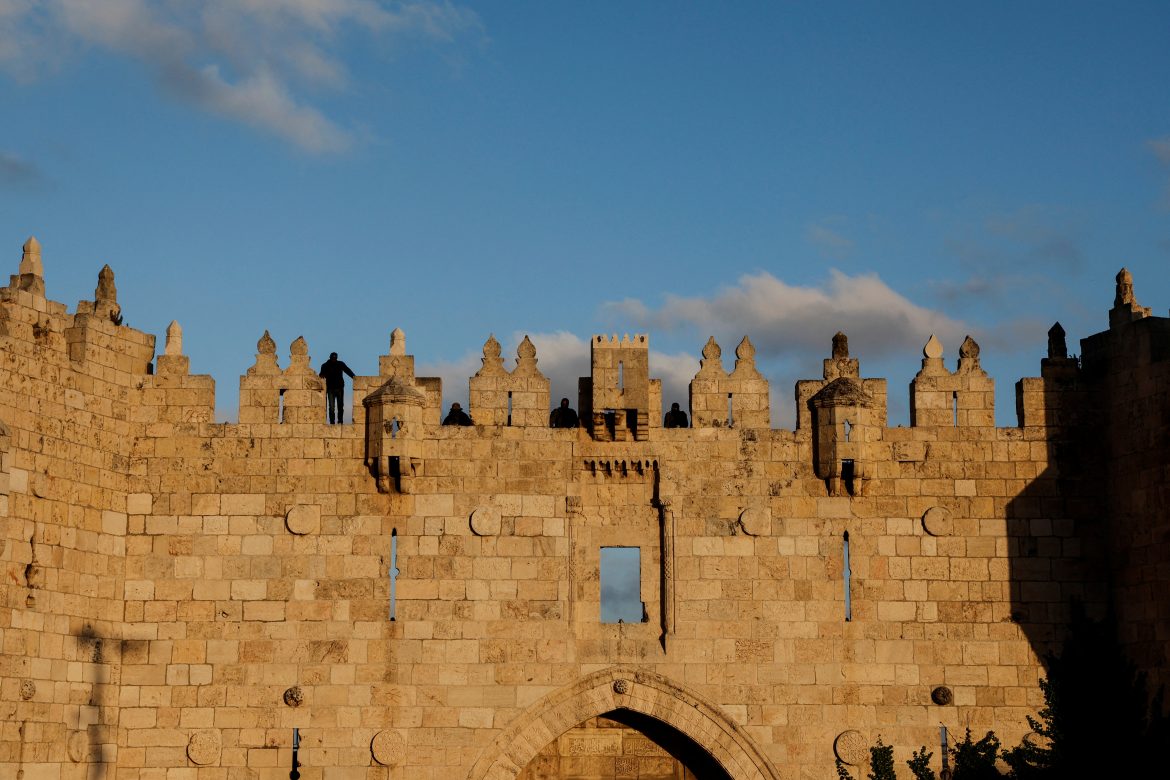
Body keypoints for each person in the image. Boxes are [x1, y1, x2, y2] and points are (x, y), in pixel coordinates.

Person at [318, 352, 355, 424]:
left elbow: (347, 370)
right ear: (330, 358)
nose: (334, 359)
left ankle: (340, 421)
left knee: (340, 406)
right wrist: (322, 375)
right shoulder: (325, 365)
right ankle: (332, 422)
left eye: (335, 358)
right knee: (332, 407)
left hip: (339, 388)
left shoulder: (340, 364)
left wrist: (354, 377)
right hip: (331, 389)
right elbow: (321, 374)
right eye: (333, 358)